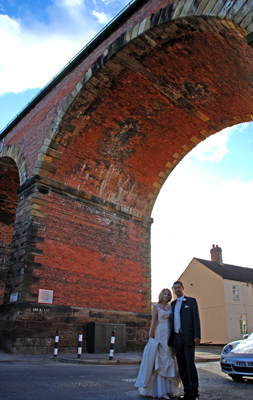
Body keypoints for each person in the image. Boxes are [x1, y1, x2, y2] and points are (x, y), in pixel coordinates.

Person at [135, 288, 181, 399]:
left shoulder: (171, 307)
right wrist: (151, 337)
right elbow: (154, 322)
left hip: (170, 334)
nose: (166, 296)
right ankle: (161, 391)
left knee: (169, 357)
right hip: (160, 333)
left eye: (168, 294)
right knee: (160, 359)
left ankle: (170, 389)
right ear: (161, 295)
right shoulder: (156, 307)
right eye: (164, 294)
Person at [169, 281, 201, 400]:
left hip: (188, 337)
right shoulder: (172, 305)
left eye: (179, 287)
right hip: (176, 337)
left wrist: (197, 336)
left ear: (183, 288)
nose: (177, 290)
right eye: (175, 288)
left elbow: (196, 320)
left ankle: (194, 393)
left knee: (190, 365)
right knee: (181, 365)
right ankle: (187, 392)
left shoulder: (191, 301)